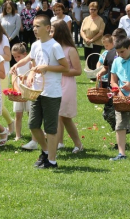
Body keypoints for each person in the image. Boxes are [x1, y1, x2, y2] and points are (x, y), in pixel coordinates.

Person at [10, 15, 69, 169]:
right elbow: (30, 58)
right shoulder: (36, 45)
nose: (34, 29)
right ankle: (45, 152)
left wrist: (47, 68)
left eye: (38, 26)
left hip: (52, 93)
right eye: (34, 26)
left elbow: (66, 67)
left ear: (48, 28)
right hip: (37, 92)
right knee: (33, 124)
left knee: (50, 128)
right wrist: (17, 66)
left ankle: (52, 161)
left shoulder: (55, 46)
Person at [51, 21, 84, 153]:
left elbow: (77, 70)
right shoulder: (53, 48)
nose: (50, 33)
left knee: (64, 116)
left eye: (52, 30)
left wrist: (59, 71)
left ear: (59, 32)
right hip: (55, 83)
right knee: (58, 115)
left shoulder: (70, 50)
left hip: (67, 84)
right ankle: (60, 142)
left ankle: (78, 144)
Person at [10, 43, 35, 146]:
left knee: (31, 113)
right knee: (18, 114)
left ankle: (34, 133)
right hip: (19, 92)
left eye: (18, 56)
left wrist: (24, 78)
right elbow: (13, 80)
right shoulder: (15, 67)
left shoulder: (29, 64)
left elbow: (33, 77)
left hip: (29, 90)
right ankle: (18, 135)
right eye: (14, 57)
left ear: (25, 54)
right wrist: (17, 90)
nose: (16, 59)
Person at [80, 2, 105, 71]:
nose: (93, 11)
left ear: (97, 10)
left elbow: (101, 32)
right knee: (87, 59)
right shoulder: (86, 19)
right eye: (91, 9)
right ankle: (90, 74)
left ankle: (94, 76)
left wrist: (91, 40)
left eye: (94, 9)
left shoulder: (100, 20)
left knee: (94, 59)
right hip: (87, 43)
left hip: (96, 43)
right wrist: (85, 39)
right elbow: (81, 31)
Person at [0, 1, 21, 66]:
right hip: (3, 39)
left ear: (12, 8)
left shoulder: (17, 16)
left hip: (14, 39)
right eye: (6, 8)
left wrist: (10, 38)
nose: (7, 9)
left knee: (15, 54)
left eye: (9, 8)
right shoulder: (1, 16)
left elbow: (17, 28)